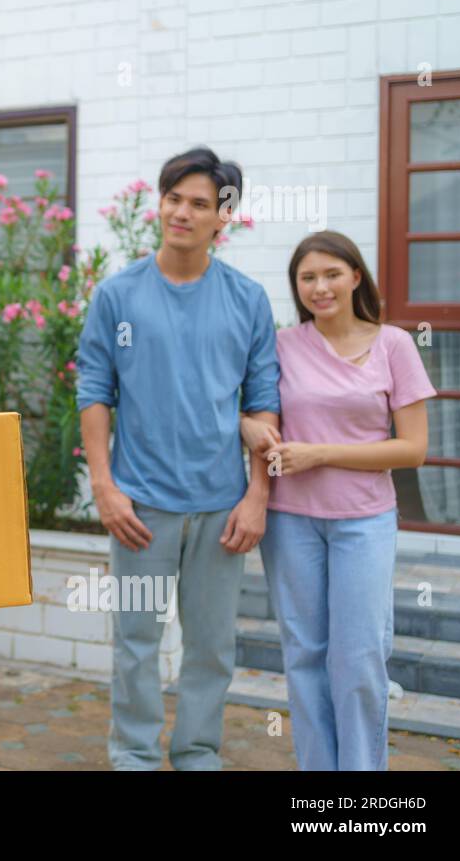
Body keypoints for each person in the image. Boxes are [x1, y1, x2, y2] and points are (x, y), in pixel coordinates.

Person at [77, 146, 281, 770]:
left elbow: (265, 401)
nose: (183, 213)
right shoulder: (118, 296)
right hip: (141, 506)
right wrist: (105, 489)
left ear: (224, 218)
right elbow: (94, 392)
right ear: (158, 204)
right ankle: (134, 756)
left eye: (200, 204)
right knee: (136, 645)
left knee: (212, 648)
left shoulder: (247, 300)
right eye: (174, 199)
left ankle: (196, 754)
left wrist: (257, 497)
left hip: (222, 509)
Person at [245, 231, 433, 771]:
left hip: (363, 522)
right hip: (290, 522)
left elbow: (414, 448)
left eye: (331, 273)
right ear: (296, 286)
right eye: (308, 277)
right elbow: (251, 413)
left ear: (355, 276)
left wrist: (320, 454)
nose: (320, 286)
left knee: (358, 659)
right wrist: (246, 428)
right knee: (304, 655)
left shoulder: (393, 344)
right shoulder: (281, 345)